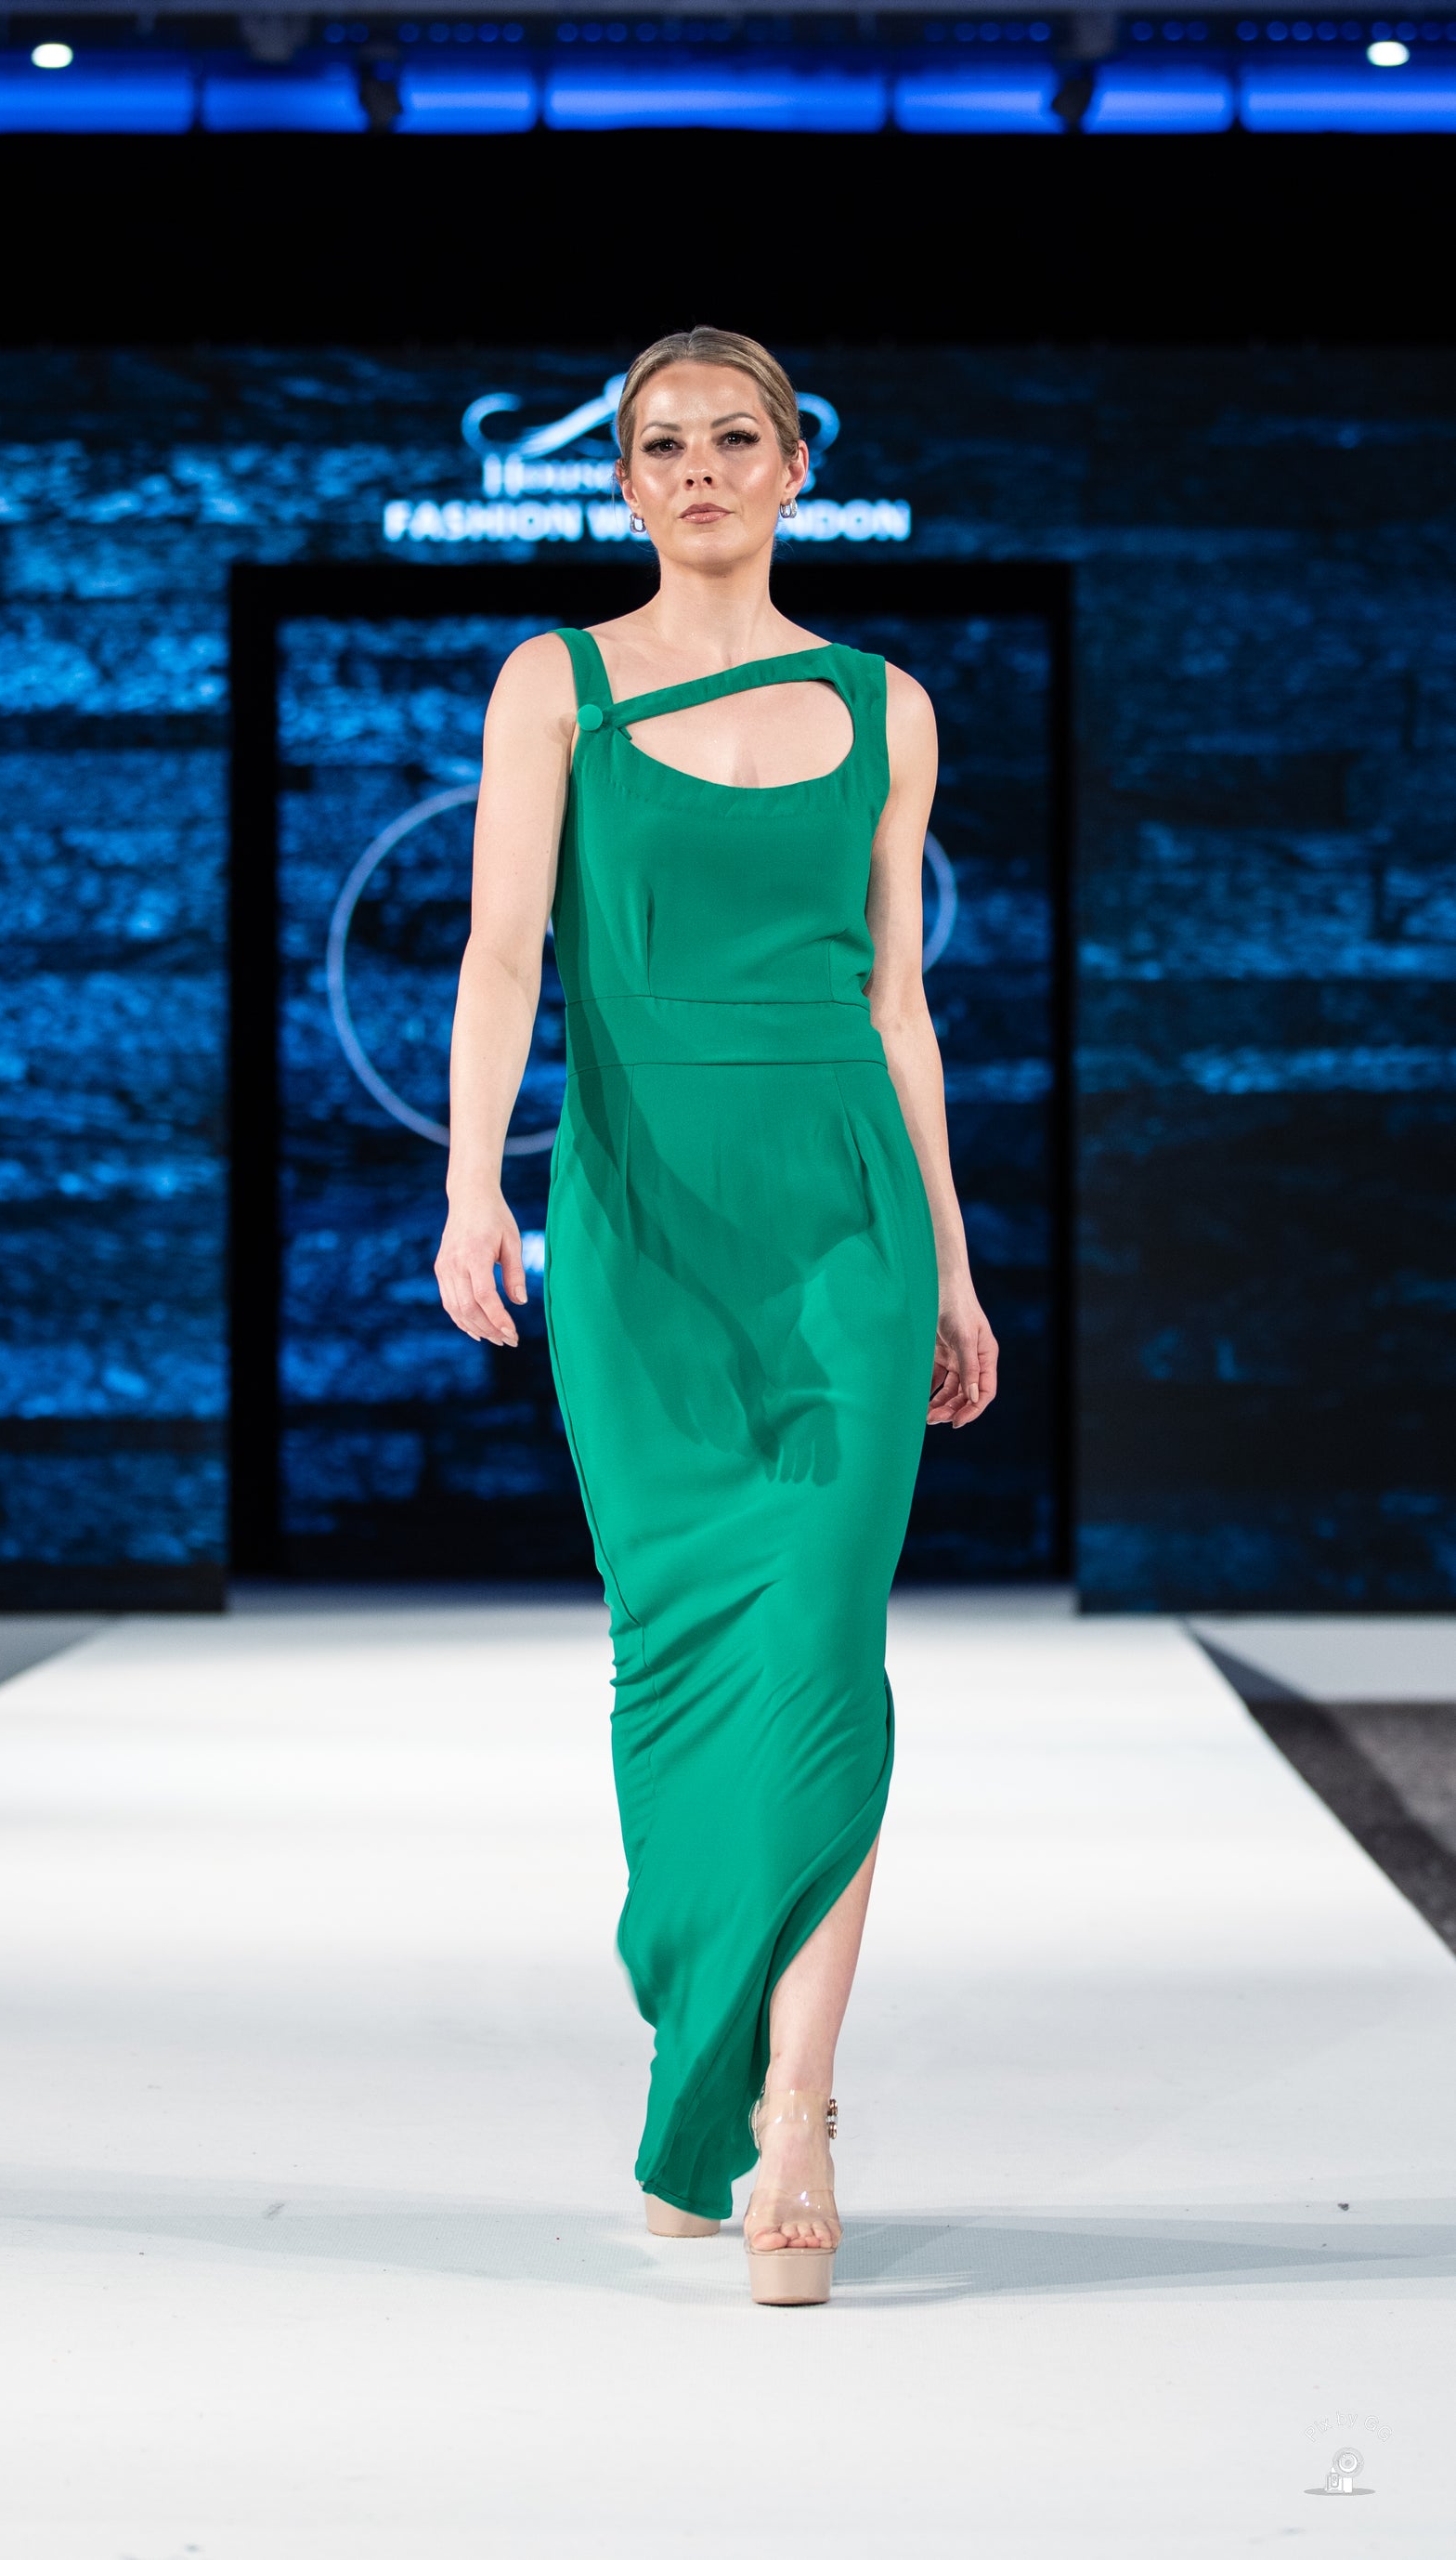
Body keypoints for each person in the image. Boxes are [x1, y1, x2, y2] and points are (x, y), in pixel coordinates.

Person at [436, 326, 998, 2306]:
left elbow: (897, 1003)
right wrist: (470, 1182)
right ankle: (702, 2065)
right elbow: (502, 952)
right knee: (677, 1655)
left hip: (841, 1217)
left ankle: (798, 2108)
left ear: (791, 466)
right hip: (641, 1217)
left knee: (823, 1646)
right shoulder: (555, 684)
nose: (696, 468)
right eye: (660, 443)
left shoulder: (881, 703)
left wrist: (947, 1260)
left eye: (732, 437)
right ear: (622, 478)